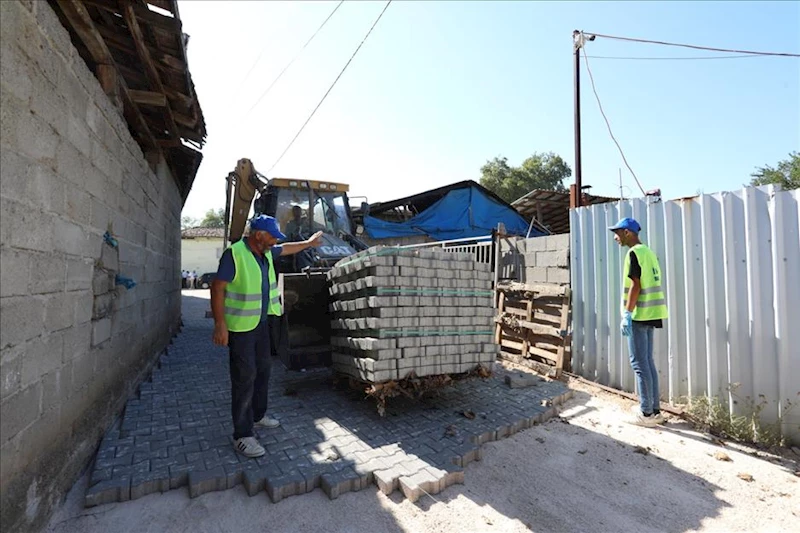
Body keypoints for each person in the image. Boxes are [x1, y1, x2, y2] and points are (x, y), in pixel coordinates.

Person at [210, 214, 322, 458]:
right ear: (259, 235)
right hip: (240, 327)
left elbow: (287, 249)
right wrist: (220, 324)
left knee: (263, 371)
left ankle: (258, 416)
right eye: (272, 236)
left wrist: (309, 244)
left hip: (261, 324)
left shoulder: (266, 252)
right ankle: (242, 435)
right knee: (244, 377)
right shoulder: (235, 254)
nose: (275, 241)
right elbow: (217, 287)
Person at [609, 217, 668, 427]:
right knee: (647, 362)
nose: (615, 238)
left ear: (627, 232)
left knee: (639, 363)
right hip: (652, 312)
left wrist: (627, 313)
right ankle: (654, 410)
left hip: (639, 314)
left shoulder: (633, 253)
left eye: (617, 233)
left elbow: (636, 285)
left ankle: (646, 414)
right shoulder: (648, 252)